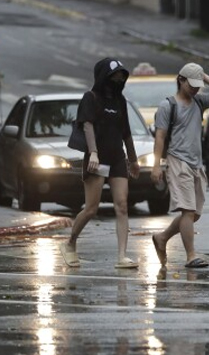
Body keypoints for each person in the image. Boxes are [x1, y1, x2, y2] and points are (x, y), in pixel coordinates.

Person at [59, 58, 140, 268]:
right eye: (115, 75)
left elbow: (126, 132)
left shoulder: (120, 100)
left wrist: (133, 160)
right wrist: (93, 153)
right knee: (91, 208)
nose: (119, 79)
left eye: (122, 75)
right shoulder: (91, 98)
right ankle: (70, 243)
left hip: (117, 158)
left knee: (122, 205)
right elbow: (87, 125)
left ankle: (122, 256)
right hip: (97, 159)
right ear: (105, 76)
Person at [150, 63, 209, 268]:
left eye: (198, 85)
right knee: (187, 210)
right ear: (181, 80)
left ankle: (162, 237)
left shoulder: (199, 102)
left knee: (194, 214)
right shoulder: (168, 105)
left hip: (196, 164)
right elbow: (160, 137)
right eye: (191, 84)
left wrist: (204, 76)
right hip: (178, 161)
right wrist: (156, 166)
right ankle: (191, 255)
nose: (195, 89)